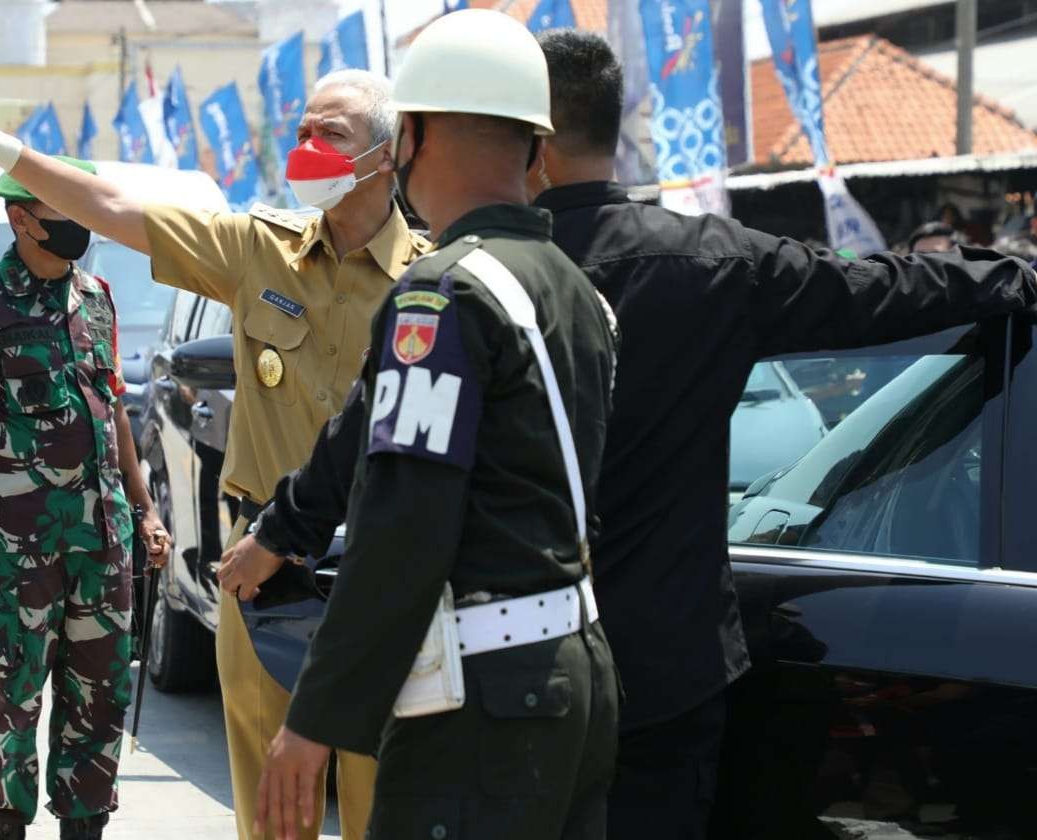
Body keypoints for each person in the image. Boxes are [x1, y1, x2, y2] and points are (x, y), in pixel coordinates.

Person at [230, 27, 1037, 840]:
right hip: (656, 676)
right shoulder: (701, 267)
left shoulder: (465, 284)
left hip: (492, 688)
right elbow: (890, 288)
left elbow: (383, 468)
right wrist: (1017, 275)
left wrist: (283, 543)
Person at [0, 68, 428, 840]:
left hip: (384, 569)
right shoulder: (254, 249)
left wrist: (138, 510)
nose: (307, 149)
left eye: (329, 134)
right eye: (300, 131)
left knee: (387, 800)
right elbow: (114, 207)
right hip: (261, 571)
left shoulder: (436, 280)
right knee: (273, 810)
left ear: (390, 151)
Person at [250, 10, 619, 840]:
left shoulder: (442, 293)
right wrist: (285, 523)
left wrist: (314, 721)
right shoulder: (569, 284)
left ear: (410, 136)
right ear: (535, 147)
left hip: (481, 704)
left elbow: (401, 524)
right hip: (574, 677)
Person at [0, 159, 171, 840]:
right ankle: (4, 827)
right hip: (15, 549)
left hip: (103, 543)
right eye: (62, 208)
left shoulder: (97, 298)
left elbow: (113, 408)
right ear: (22, 218)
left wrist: (145, 508)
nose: (78, 221)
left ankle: (84, 828)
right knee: (14, 698)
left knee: (100, 696)